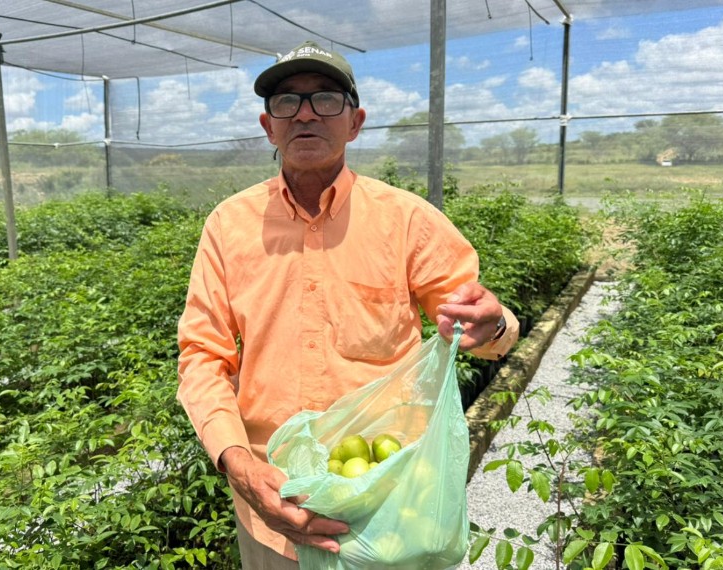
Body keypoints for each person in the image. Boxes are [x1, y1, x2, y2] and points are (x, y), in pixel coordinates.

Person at [176, 40, 520, 568]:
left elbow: (484, 326)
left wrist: (491, 325)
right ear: (269, 127)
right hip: (274, 501)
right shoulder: (229, 224)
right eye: (286, 102)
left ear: (355, 122)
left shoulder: (406, 220)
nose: (306, 113)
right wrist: (238, 464)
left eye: (326, 99)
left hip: (390, 498)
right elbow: (202, 355)